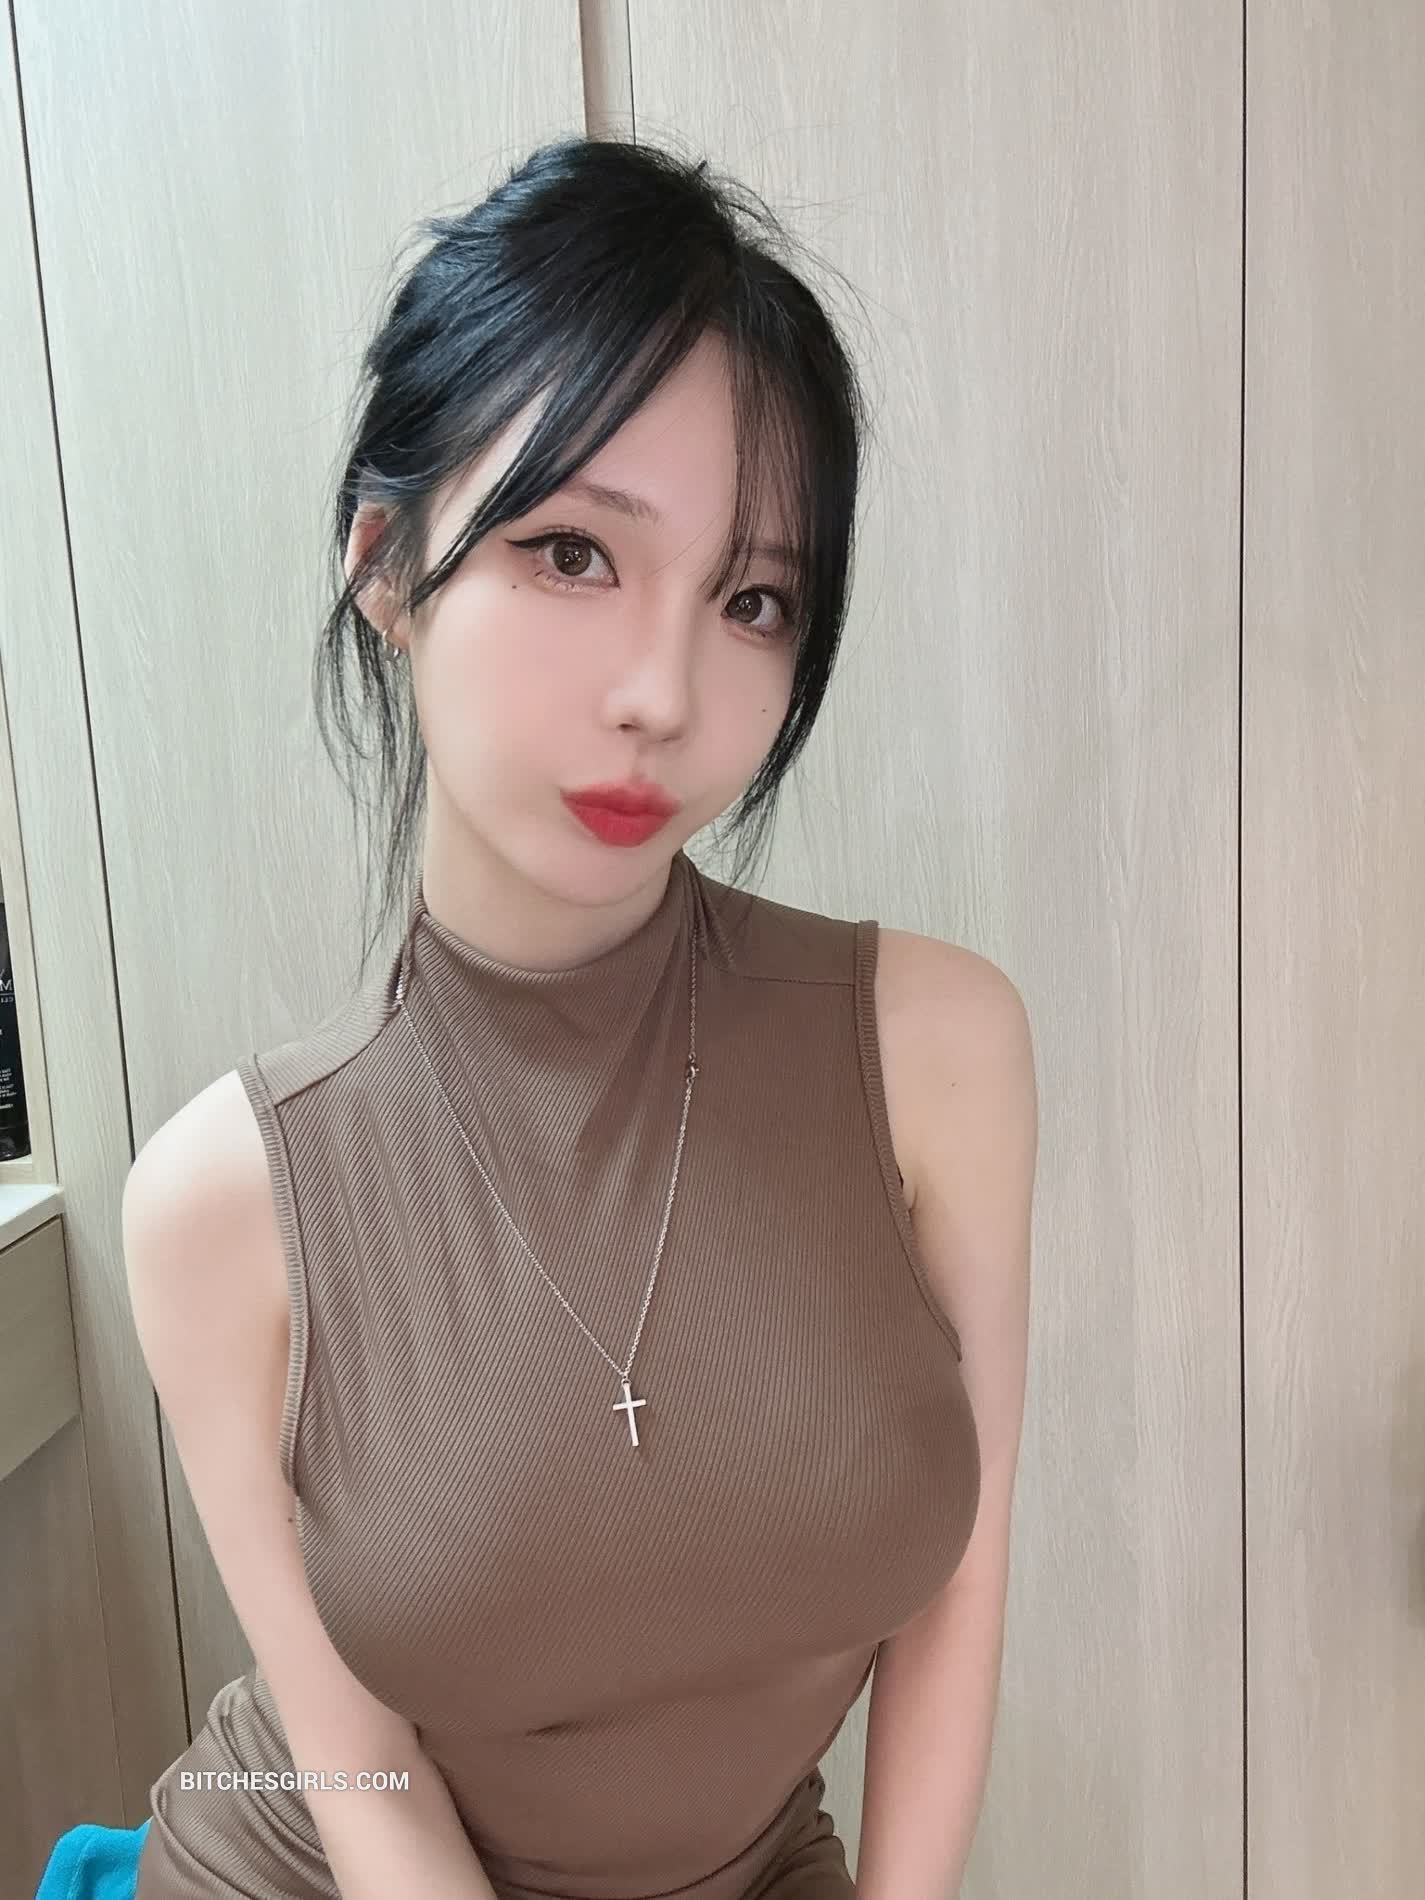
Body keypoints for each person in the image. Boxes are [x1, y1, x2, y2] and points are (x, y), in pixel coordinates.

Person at [115, 135, 983, 1900]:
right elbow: (357, 1773)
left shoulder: (933, 1050)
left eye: (751, 599)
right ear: (386, 566)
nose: (663, 692)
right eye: (572, 552)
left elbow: (956, 1605)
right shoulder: (224, 1203)